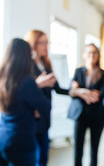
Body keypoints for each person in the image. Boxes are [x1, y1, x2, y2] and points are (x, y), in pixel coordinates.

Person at [0, 38, 51, 166]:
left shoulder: (2, 77)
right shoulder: (27, 81)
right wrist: (32, 112)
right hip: (19, 143)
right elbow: (45, 107)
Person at [24, 29, 69, 166]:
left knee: (43, 156)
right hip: (32, 117)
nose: (46, 46)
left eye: (47, 43)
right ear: (33, 44)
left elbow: (57, 88)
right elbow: (22, 91)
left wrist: (75, 92)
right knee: (32, 157)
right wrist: (38, 83)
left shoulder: (46, 64)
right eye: (42, 43)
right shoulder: (26, 65)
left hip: (45, 117)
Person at [67, 43, 104, 166]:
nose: (92, 55)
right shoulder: (78, 71)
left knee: (94, 150)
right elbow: (71, 91)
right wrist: (84, 92)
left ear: (98, 55)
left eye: (95, 52)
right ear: (84, 55)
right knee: (77, 148)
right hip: (80, 115)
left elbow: (101, 94)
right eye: (89, 52)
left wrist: (81, 91)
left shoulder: (103, 73)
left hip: (96, 116)